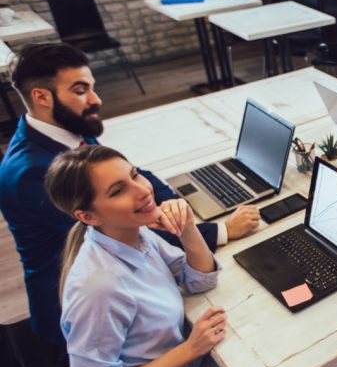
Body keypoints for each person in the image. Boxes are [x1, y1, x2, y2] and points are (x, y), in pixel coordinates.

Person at [44, 145, 325, 367]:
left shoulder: (133, 234)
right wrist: (190, 349)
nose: (142, 191)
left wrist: (188, 228)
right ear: (88, 215)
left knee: (282, 358)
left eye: (135, 174)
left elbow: (199, 279)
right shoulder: (98, 287)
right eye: (118, 190)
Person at [0, 43, 260, 346]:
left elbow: (138, 174)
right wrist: (222, 230)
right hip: (88, 314)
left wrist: (172, 208)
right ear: (41, 96)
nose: (96, 99)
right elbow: (122, 228)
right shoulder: (31, 175)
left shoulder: (68, 128)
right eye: (81, 90)